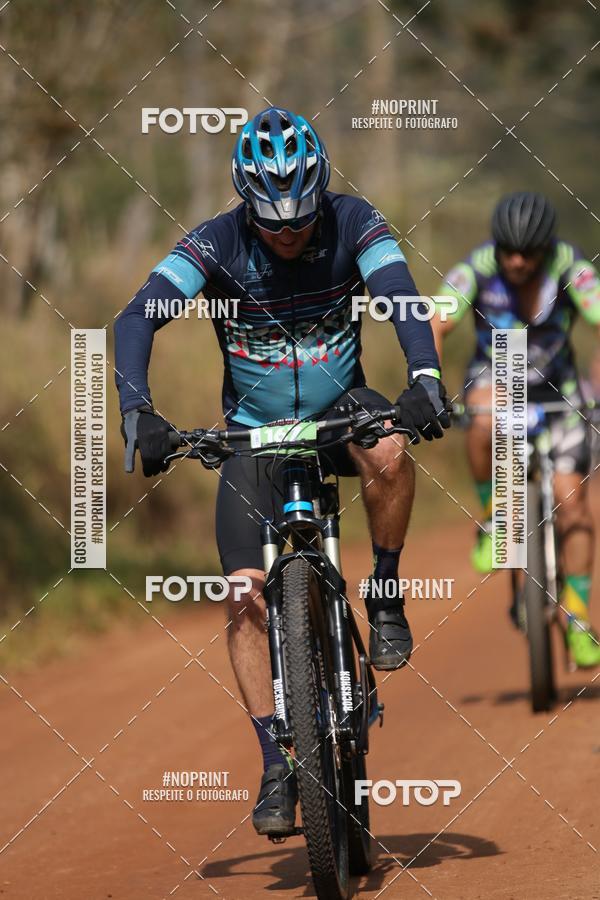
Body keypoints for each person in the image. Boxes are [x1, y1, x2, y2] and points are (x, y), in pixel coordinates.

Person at [114, 106, 450, 836]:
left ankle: (386, 591)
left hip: (340, 417)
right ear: (246, 202)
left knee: (391, 447)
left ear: (321, 192)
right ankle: (278, 761)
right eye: (274, 224)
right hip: (253, 437)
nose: (290, 234)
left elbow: (397, 292)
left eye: (301, 219)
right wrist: (136, 409)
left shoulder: (355, 221)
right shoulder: (214, 244)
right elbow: (137, 316)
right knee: (242, 598)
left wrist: (424, 373)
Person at [432, 191, 600, 668]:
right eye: (509, 250)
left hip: (560, 393)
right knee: (483, 416)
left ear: (547, 249)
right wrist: (428, 383)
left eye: (528, 253)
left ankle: (579, 615)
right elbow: (436, 320)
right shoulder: (478, 267)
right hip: (498, 378)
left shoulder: (571, 268)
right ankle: (493, 519)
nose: (517, 261)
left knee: (573, 505)